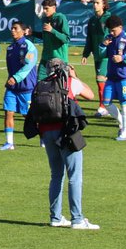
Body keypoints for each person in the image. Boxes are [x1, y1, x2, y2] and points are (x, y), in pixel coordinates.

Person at [26, 59, 99, 230]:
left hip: (46, 134)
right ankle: (77, 219)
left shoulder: (40, 85)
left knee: (56, 175)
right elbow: (90, 95)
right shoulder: (70, 82)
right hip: (66, 133)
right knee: (74, 176)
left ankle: (56, 217)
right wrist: (75, 76)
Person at [101, 15, 126, 141]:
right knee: (106, 103)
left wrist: (123, 58)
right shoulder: (108, 39)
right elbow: (101, 55)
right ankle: (122, 123)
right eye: (110, 30)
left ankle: (125, 133)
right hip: (111, 77)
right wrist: (103, 45)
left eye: (114, 30)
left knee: (124, 104)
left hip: (125, 78)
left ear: (120, 27)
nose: (112, 33)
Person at [1, 19, 38, 151]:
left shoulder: (29, 46)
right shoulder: (10, 48)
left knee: (29, 116)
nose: (13, 30)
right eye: (12, 28)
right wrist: (12, 80)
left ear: (24, 31)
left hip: (26, 87)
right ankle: (9, 142)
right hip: (12, 87)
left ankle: (44, 137)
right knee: (8, 112)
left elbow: (29, 65)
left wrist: (16, 78)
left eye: (16, 28)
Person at [80, 0, 110, 113]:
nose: (95, 5)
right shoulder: (92, 20)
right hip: (97, 55)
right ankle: (107, 103)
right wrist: (85, 54)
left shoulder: (108, 19)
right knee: (102, 80)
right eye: (94, 2)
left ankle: (103, 106)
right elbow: (89, 39)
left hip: (107, 55)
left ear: (103, 5)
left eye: (97, 3)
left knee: (100, 79)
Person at [39, 0, 70, 64]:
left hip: (58, 59)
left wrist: (52, 30)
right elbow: (44, 36)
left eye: (46, 8)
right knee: (39, 75)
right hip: (45, 58)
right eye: (43, 8)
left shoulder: (60, 18)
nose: (44, 11)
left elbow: (66, 39)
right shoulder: (44, 19)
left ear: (54, 8)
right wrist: (32, 33)